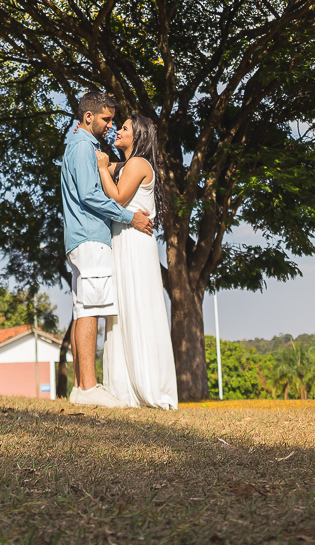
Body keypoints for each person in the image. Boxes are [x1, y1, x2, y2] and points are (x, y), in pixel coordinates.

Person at [61, 91, 155, 407]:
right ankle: (89, 388)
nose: (109, 126)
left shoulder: (77, 145)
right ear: (88, 117)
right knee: (91, 308)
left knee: (82, 307)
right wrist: (131, 217)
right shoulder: (83, 147)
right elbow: (90, 195)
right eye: (105, 119)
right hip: (89, 236)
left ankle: (79, 387)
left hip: (79, 238)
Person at [96, 115, 178, 409]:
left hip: (133, 242)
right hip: (125, 240)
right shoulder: (129, 164)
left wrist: (104, 168)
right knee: (123, 310)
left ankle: (147, 385)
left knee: (137, 308)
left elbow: (117, 198)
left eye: (125, 128)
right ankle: (123, 387)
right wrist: (103, 162)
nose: (118, 131)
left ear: (139, 136)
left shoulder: (139, 164)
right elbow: (109, 166)